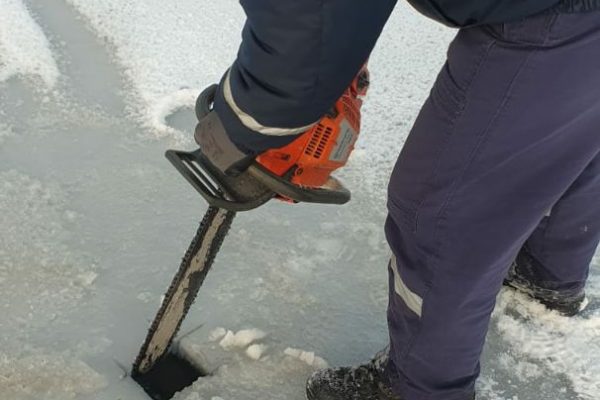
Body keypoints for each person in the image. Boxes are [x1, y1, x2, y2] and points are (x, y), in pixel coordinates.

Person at [193, 1, 600, 399]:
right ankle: (546, 274)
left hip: (550, 19)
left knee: (440, 215)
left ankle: (419, 390)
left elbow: (307, 26)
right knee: (577, 131)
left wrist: (242, 130)